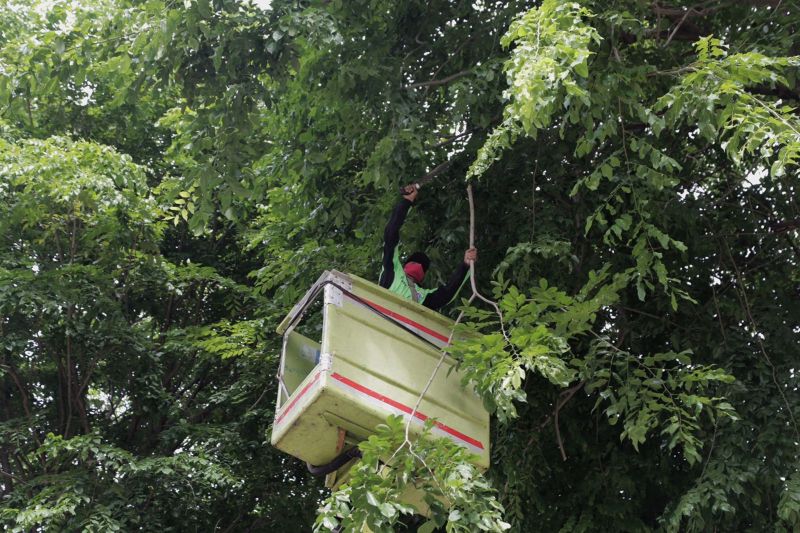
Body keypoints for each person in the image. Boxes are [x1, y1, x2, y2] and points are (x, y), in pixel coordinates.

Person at [378, 185, 477, 310]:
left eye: (421, 266)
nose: (418, 265)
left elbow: (447, 293)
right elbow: (391, 234)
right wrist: (406, 201)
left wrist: (466, 265)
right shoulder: (393, 271)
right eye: (416, 262)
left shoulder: (421, 294)